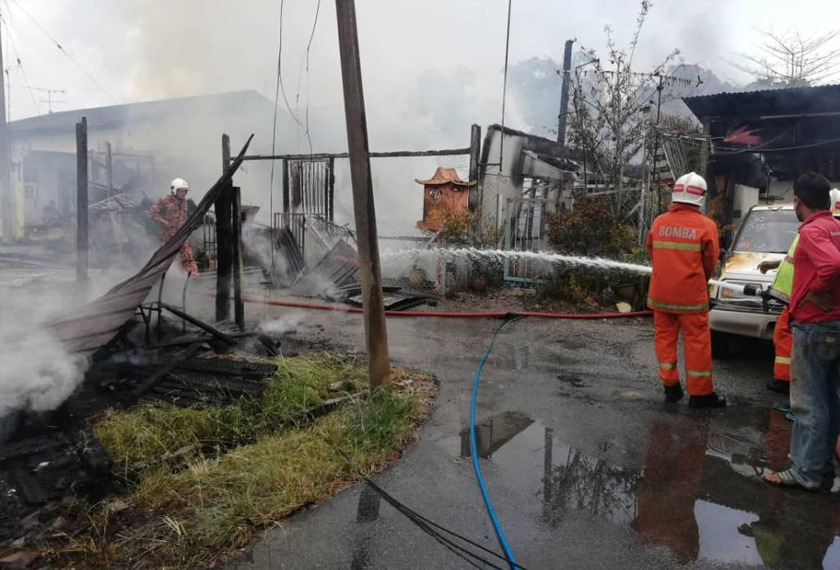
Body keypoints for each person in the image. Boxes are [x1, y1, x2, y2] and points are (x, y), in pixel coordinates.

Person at [763, 173, 840, 490]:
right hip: (833, 324)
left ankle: (806, 472)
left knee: (808, 403)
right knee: (830, 401)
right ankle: (821, 467)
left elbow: (832, 265)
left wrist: (814, 292)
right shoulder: (835, 227)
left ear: (798, 201)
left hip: (814, 326)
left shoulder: (811, 231)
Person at [646, 172, 725, 408]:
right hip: (691, 298)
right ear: (700, 197)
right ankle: (700, 395)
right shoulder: (706, 226)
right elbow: (710, 262)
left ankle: (671, 387)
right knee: (697, 343)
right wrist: (700, 280)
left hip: (661, 295)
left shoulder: (659, 222)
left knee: (664, 341)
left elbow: (653, 254)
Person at [758, 237, 798, 395]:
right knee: (784, 334)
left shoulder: (813, 231)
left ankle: (785, 380)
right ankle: (786, 379)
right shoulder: (808, 231)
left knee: (786, 335)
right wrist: (775, 264)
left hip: (799, 299)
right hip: (794, 298)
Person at [149, 177, 199, 277]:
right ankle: (168, 274)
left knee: (186, 253)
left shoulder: (185, 202)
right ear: (174, 190)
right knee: (169, 256)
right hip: (167, 234)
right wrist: (164, 223)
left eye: (185, 191)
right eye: (181, 191)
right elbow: (152, 213)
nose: (183, 193)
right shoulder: (164, 200)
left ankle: (192, 274)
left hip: (181, 233)